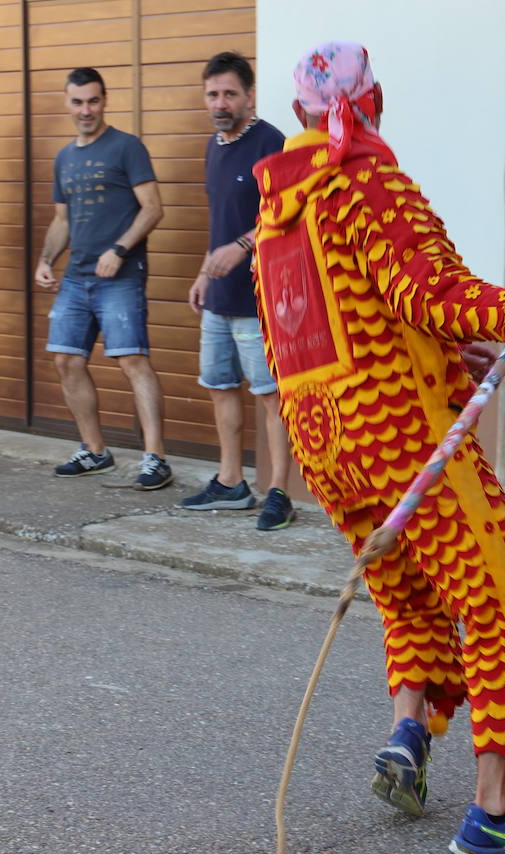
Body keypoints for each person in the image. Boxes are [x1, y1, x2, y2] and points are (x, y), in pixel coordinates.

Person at [251, 42, 505, 854]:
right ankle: (498, 813)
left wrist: (447, 355)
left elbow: (329, 330)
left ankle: (409, 733)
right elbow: (423, 288)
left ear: (296, 114)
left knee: (413, 600)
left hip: (327, 447)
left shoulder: (274, 216)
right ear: (377, 101)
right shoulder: (366, 182)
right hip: (400, 438)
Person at [34, 67, 171, 490]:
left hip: (120, 276)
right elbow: (62, 219)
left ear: (105, 100)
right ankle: (95, 451)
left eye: (93, 101)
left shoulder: (127, 147)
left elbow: (152, 208)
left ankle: (156, 458)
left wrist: (120, 249)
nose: (86, 110)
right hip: (76, 278)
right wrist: (45, 259)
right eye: (77, 102)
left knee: (132, 361)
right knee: (66, 359)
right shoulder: (64, 157)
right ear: (68, 103)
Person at [181, 52, 294, 530]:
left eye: (230, 93)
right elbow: (221, 221)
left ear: (250, 95)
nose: (220, 102)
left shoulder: (273, 145)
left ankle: (280, 493)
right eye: (212, 94)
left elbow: (290, 215)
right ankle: (231, 483)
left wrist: (242, 247)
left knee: (270, 396)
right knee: (220, 387)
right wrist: (207, 271)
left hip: (259, 301)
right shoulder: (214, 145)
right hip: (220, 298)